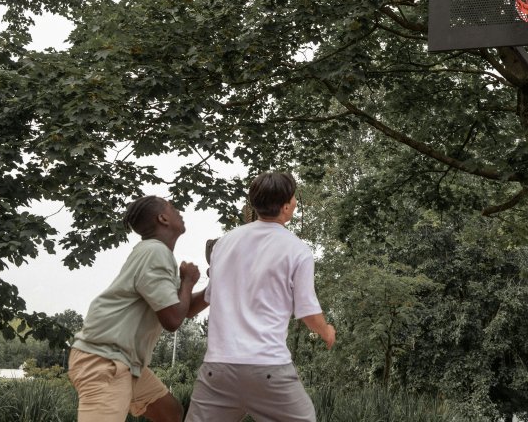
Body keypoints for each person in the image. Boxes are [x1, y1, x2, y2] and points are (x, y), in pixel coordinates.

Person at [186, 171, 335, 422]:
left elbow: (211, 295)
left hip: (218, 368)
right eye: (294, 197)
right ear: (286, 206)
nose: (296, 202)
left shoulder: (224, 244)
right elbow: (308, 311)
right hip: (268, 367)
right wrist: (326, 331)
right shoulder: (297, 250)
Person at [67, 196, 205, 422]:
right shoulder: (155, 252)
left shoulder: (154, 252)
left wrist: (215, 287)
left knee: (170, 413)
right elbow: (172, 319)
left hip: (125, 362)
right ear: (162, 218)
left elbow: (183, 308)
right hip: (104, 361)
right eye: (172, 207)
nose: (178, 210)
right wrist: (188, 281)